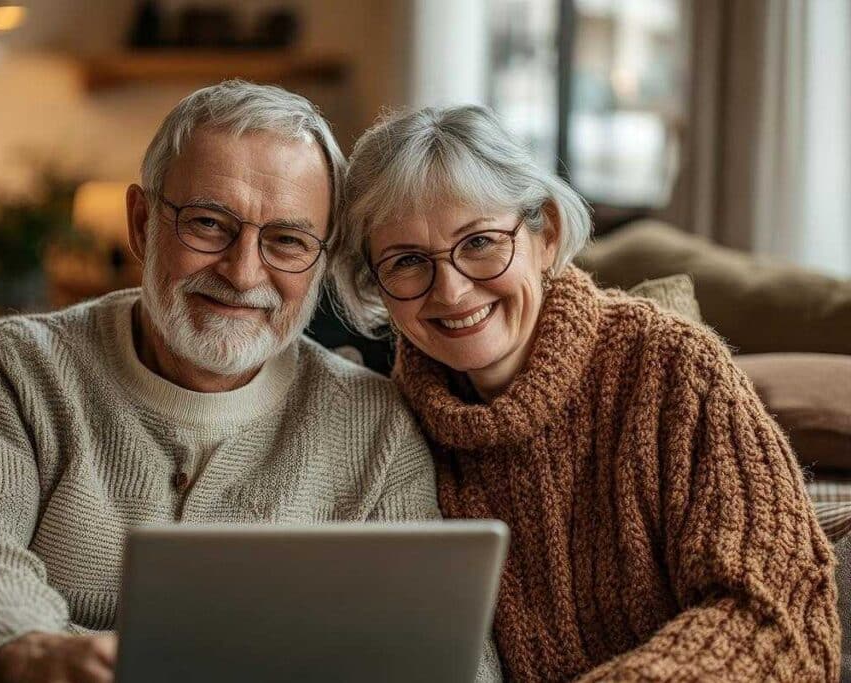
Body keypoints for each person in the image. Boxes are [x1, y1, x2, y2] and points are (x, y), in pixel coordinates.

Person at [0, 82, 501, 683]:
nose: (242, 271)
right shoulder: (20, 370)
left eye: (287, 239)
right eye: (207, 224)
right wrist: (33, 652)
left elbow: (442, 650)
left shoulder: (377, 428)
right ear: (142, 224)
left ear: (320, 261)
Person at [332, 104, 840, 682]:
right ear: (374, 284)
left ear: (544, 234)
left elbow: (777, 617)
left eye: (479, 243)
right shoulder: (384, 426)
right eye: (407, 261)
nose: (450, 290)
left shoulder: (672, 369)